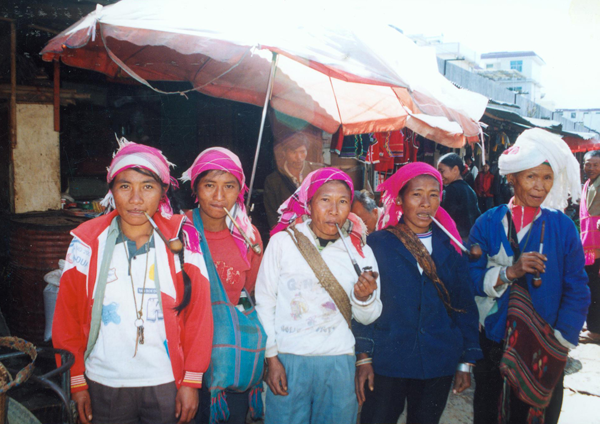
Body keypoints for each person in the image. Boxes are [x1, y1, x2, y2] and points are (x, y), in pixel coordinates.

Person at [53, 138, 213, 424]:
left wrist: (191, 380)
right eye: (125, 186)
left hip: (166, 381)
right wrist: (76, 381)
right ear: (112, 190)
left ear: (163, 192)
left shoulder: (183, 240)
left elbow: (199, 314)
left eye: (148, 187)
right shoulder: (86, 243)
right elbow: (67, 318)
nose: (136, 199)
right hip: (104, 381)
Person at [469, 128, 590, 424]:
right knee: (488, 410)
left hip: (546, 344)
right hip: (494, 338)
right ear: (512, 178)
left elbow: (578, 287)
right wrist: (510, 272)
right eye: (531, 176)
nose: (540, 186)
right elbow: (470, 278)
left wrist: (561, 339)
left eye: (547, 178)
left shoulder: (562, 227)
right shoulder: (488, 222)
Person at [354, 162, 481, 424]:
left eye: (433, 195)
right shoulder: (378, 245)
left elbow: (464, 305)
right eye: (416, 194)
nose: (426, 203)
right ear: (400, 199)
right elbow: (364, 300)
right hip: (389, 359)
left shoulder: (452, 247)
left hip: (437, 359)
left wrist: (466, 361)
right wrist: (363, 357)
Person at [255, 168, 382, 424]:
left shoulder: (360, 252)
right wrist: (271, 358)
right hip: (289, 358)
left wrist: (363, 298)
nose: (334, 210)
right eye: (325, 200)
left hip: (338, 360)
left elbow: (368, 317)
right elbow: (265, 301)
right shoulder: (283, 243)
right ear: (309, 204)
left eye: (342, 201)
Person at [181, 147, 266, 424]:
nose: (219, 196)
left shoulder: (249, 237)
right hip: (184, 357)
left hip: (230, 357)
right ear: (196, 188)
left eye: (229, 186)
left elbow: (247, 293)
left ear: (240, 190)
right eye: (209, 185)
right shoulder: (179, 229)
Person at [263, 133, 321, 229]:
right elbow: (272, 216)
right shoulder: (273, 181)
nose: (299, 157)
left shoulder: (317, 172)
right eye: (294, 152)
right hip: (288, 232)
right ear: (284, 153)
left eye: (302, 152)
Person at [580, 150, 600, 344]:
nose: (591, 168)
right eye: (588, 164)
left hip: (598, 246)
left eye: (595, 165)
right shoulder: (588, 184)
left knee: (595, 287)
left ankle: (596, 331)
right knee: (591, 286)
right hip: (590, 245)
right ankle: (594, 324)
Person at [437, 153, 481, 241]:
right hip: (472, 238)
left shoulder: (451, 190)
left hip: (456, 239)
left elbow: (445, 219)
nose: (440, 175)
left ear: (455, 169)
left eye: (442, 171)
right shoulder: (469, 189)